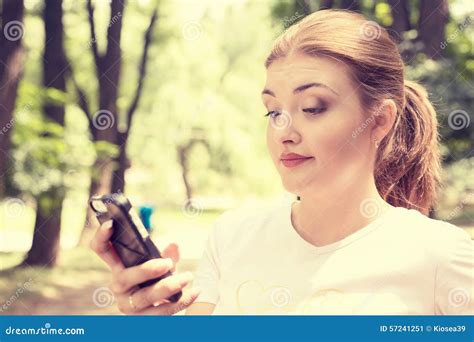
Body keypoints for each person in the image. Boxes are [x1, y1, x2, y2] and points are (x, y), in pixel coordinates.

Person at [90, 9, 473, 315]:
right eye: (272, 111)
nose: (284, 131)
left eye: (312, 107)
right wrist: (153, 320)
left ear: (379, 120)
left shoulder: (441, 256)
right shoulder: (232, 236)